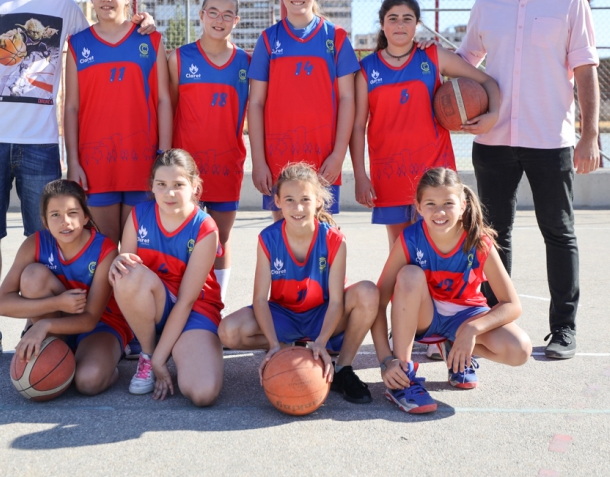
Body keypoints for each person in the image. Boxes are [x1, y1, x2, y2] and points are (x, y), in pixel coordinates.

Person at [0, 0, 155, 368]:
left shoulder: (65, 8)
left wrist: (144, 22)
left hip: (41, 143)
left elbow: (107, 34)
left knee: (44, 241)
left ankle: (41, 325)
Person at [457, 0, 600, 360]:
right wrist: (454, 103)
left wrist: (589, 135)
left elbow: (586, 71)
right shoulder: (486, 5)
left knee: (558, 232)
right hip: (494, 139)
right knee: (491, 236)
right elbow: (464, 62)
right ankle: (493, 323)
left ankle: (564, 329)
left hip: (550, 138)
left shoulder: (570, 2)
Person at [351, 0, 502, 362]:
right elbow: (357, 127)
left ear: (417, 24)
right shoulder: (367, 69)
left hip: (434, 176)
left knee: (441, 252)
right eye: (392, 18)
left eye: (407, 18)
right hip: (389, 176)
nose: (399, 25)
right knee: (403, 260)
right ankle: (411, 327)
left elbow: (488, 82)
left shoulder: (433, 58)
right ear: (382, 24)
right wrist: (360, 174)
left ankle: (441, 332)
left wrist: (493, 114)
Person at [371, 168, 531, 413]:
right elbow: (379, 302)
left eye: (448, 203)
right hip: (425, 318)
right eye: (431, 204)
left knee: (520, 349)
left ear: (462, 205)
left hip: (465, 316)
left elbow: (512, 304)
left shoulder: (478, 241)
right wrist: (386, 361)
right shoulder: (410, 239)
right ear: (418, 207)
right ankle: (403, 377)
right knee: (410, 275)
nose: (440, 212)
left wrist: (471, 330)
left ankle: (454, 348)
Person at [218, 162, 377, 404]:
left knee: (367, 292)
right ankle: (290, 347)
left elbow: (336, 301)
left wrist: (321, 341)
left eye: (305, 199)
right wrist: (273, 344)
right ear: (278, 202)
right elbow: (260, 299)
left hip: (322, 313)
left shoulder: (334, 239)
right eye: (289, 200)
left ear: (318, 201)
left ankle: (342, 369)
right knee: (228, 331)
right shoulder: (268, 238)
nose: (298, 207)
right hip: (285, 314)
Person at [0, 179, 129, 396]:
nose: (64, 222)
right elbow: (0, 305)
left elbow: (90, 319)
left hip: (99, 325)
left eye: (72, 213)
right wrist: (56, 304)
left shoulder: (105, 250)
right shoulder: (35, 244)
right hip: (57, 318)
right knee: (32, 275)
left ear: (86, 217)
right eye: (55, 215)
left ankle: (108, 357)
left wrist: (44, 324)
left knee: (88, 382)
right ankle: (59, 346)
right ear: (45, 221)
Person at [65, 0, 171, 241]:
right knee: (106, 248)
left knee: (140, 251)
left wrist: (164, 155)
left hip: (143, 163)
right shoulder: (77, 44)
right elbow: (71, 108)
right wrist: (73, 161)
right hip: (96, 165)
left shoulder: (151, 40)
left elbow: (163, 100)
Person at [108, 150, 224, 406]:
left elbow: (185, 301)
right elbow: (127, 274)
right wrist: (117, 261)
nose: (169, 193)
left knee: (203, 393)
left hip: (193, 309)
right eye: (161, 184)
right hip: (156, 302)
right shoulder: (139, 215)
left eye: (178, 185)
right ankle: (147, 354)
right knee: (126, 272)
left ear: (194, 186)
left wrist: (164, 360)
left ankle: (178, 348)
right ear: (152, 186)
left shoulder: (205, 227)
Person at [248, 0, 359, 219]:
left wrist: (338, 155)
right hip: (278, 158)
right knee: (282, 232)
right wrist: (259, 161)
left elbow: (347, 99)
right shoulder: (268, 39)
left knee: (323, 232)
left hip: (323, 158)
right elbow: (256, 103)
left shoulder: (336, 37)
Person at [167, 0, 250, 301]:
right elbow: (169, 108)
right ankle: (180, 305)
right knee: (181, 239)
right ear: (202, 15)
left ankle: (216, 305)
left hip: (227, 165)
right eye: (213, 12)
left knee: (219, 241)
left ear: (236, 21)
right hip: (185, 168)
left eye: (227, 14)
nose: (219, 19)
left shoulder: (246, 62)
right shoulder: (179, 59)